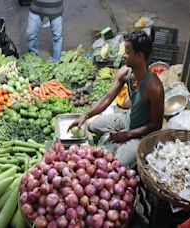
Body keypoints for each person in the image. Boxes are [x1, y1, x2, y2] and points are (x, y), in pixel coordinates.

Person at [69, 31, 164, 168]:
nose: (123, 55)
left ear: (139, 56)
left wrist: (127, 134)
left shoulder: (154, 88)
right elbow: (107, 98)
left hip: (142, 135)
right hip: (128, 119)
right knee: (90, 125)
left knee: (114, 166)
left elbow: (156, 126)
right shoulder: (126, 72)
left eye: (127, 52)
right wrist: (86, 115)